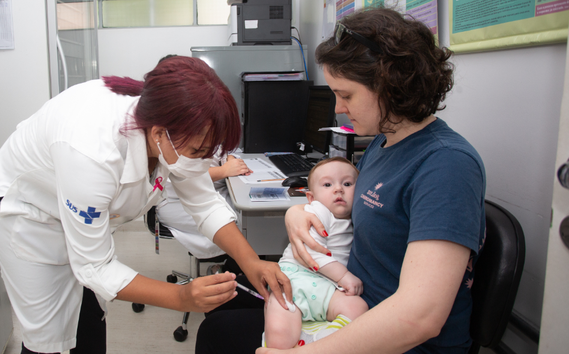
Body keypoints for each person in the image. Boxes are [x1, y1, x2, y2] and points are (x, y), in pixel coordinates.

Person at [196, 7, 486, 354]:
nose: (338, 108)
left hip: (398, 337)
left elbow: (418, 318)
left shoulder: (446, 165)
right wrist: (297, 214)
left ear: (390, 85)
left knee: (218, 334)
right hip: (349, 298)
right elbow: (362, 211)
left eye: (346, 95)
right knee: (221, 304)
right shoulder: (384, 142)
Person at [0, 56, 291, 354]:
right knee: (46, 340)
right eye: (198, 151)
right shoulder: (92, 151)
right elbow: (95, 266)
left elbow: (204, 203)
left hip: (81, 207)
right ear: (158, 134)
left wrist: (251, 263)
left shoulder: (167, 127)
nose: (203, 161)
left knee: (89, 321)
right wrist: (180, 297)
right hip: (33, 215)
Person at [264, 157, 367, 349]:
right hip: (294, 283)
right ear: (311, 198)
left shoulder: (352, 218)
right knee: (279, 335)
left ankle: (318, 340)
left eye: (347, 184)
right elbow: (310, 252)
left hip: (328, 287)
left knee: (357, 308)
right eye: (328, 184)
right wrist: (344, 276)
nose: (338, 189)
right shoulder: (319, 211)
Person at [156, 152, 252, 260]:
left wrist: (230, 159)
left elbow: (222, 151)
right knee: (244, 221)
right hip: (177, 200)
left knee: (245, 215)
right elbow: (184, 175)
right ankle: (234, 265)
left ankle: (237, 264)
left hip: (209, 189)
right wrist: (224, 170)